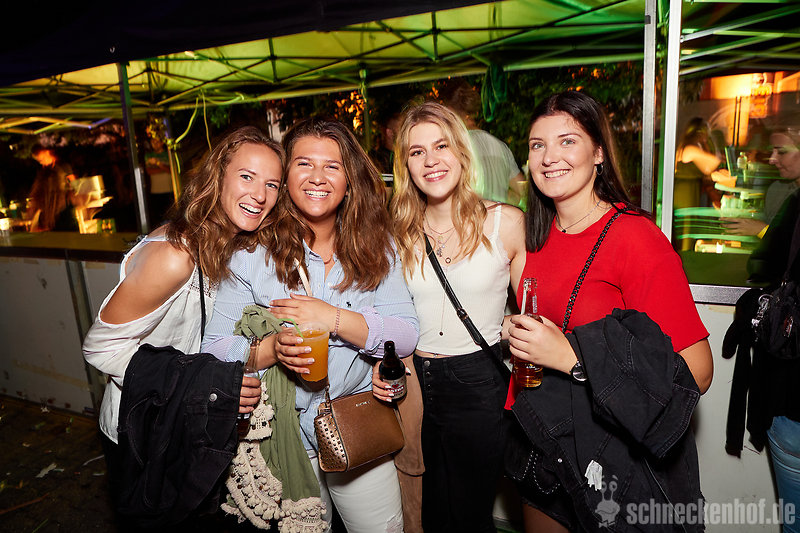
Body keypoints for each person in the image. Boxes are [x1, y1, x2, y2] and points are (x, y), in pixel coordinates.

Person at [506, 91, 713, 532]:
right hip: (544, 446)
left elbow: (696, 372)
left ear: (598, 152)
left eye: (567, 141)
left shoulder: (635, 238)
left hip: (611, 462)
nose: (549, 157)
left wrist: (573, 358)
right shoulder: (534, 238)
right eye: (538, 144)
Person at [202, 117, 419, 533]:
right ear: (285, 179)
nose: (317, 177)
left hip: (357, 422)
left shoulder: (377, 246)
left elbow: (405, 333)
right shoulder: (252, 252)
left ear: (349, 181)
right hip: (282, 436)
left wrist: (332, 318)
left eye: (332, 166)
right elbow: (213, 347)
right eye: (304, 163)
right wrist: (270, 349)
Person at [82, 126, 283, 517]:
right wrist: (202, 383)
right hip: (140, 430)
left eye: (272, 184)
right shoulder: (175, 255)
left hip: (182, 425)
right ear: (217, 177)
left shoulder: (227, 243)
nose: (260, 195)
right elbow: (100, 348)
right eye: (247, 176)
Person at [372, 101, 526, 532]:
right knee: (426, 512)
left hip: (479, 382)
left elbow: (535, 309)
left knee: (470, 515)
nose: (431, 160)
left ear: (460, 151)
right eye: (417, 151)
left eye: (441, 146)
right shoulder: (395, 232)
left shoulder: (505, 223)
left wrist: (510, 328)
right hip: (412, 384)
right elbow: (383, 313)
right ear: (406, 165)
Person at [439, 78, 525, 206]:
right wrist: (497, 198)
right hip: (499, 217)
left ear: (449, 111)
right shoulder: (499, 145)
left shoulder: (456, 147)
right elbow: (521, 192)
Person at [723, 127, 800, 238]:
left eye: (782, 152)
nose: (772, 159)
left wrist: (761, 230)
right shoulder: (777, 190)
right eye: (771, 152)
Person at [675, 117, 723, 209]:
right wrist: (711, 142)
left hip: (691, 191)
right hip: (686, 193)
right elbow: (714, 163)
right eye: (707, 130)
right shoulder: (690, 149)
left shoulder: (693, 147)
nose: (708, 133)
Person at [28, 144, 78, 231]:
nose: (41, 163)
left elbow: (74, 184)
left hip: (64, 208)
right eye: (39, 161)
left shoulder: (63, 166)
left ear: (47, 152)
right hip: (50, 212)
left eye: (42, 159)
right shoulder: (43, 172)